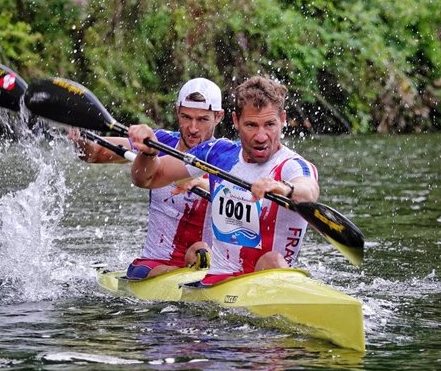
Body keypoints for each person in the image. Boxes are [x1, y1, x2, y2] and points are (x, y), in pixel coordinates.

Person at [128, 76, 320, 285]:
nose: (261, 136)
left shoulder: (293, 165)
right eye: (251, 125)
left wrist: (285, 189)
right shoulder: (217, 153)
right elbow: (147, 179)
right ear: (236, 121)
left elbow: (309, 190)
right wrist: (148, 153)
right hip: (215, 284)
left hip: (270, 278)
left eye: (270, 124)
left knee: (272, 261)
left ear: (282, 119)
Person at [69, 78, 225, 279]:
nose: (193, 128)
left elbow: (252, 198)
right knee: (200, 252)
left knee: (200, 250)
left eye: (203, 119)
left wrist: (207, 184)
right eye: (186, 117)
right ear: (177, 111)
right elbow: (95, 153)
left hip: (205, 260)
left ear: (219, 116)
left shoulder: (226, 155)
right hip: (152, 266)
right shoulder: (159, 142)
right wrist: (81, 139)